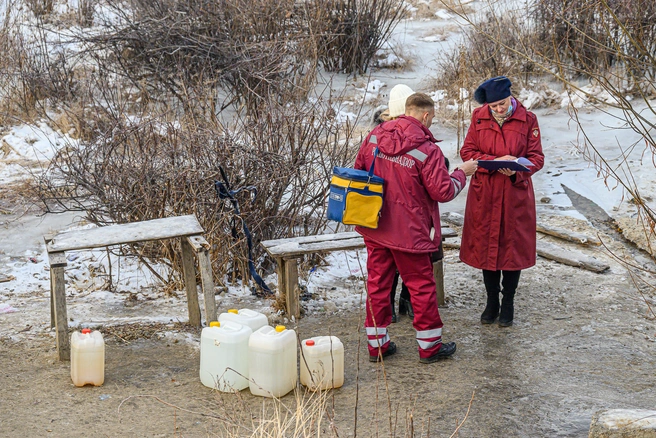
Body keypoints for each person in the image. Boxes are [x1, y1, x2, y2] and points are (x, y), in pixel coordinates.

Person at [354, 92, 478, 363]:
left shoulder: (375, 136)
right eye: (432, 117)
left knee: (377, 285)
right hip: (411, 232)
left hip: (375, 225)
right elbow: (443, 191)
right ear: (424, 115)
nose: (432, 122)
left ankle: (377, 346)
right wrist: (461, 173)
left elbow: (359, 170)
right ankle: (430, 347)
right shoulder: (427, 150)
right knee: (421, 287)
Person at [459, 76, 545, 327]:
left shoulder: (528, 120)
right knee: (487, 247)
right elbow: (468, 152)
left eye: (503, 104)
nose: (498, 109)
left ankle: (508, 301)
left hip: (514, 193)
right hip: (485, 193)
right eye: (494, 106)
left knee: (511, 249)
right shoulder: (479, 117)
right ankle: (491, 302)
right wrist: (494, 161)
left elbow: (537, 157)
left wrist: (517, 169)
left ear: (511, 97)